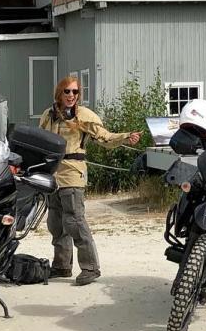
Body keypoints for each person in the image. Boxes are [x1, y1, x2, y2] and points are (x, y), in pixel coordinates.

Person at [39, 76, 140, 285]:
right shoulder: (48, 116)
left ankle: (90, 268)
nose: (71, 95)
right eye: (67, 91)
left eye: (75, 92)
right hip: (53, 175)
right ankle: (61, 266)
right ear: (59, 92)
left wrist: (125, 137)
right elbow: (40, 142)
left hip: (73, 174)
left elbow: (105, 137)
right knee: (56, 223)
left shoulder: (84, 116)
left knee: (75, 221)